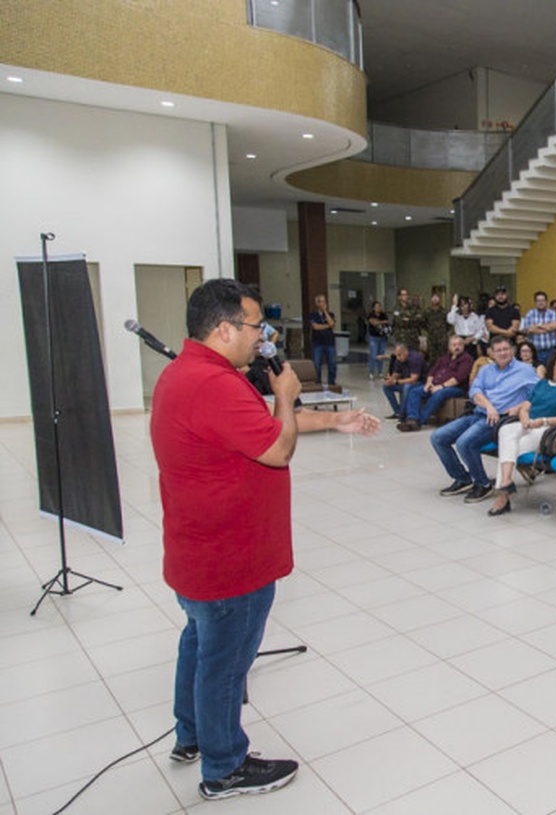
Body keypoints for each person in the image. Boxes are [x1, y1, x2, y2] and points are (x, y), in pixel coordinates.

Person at [150, 280, 301, 799]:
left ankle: (190, 735)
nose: (264, 338)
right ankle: (224, 766)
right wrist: (284, 396)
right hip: (229, 558)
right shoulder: (214, 384)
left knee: (199, 644)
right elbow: (277, 449)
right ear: (225, 328)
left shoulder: (186, 372)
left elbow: (247, 434)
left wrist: (336, 418)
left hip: (199, 551)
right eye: (257, 327)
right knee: (225, 663)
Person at [431, 335, 538, 503]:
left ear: (513, 350)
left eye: (506, 349)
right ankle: (462, 479)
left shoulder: (525, 371)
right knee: (438, 437)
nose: (502, 353)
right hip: (478, 413)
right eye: (498, 350)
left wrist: (519, 408)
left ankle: (483, 483)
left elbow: (538, 395)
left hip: (500, 420)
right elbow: (474, 392)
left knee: (464, 443)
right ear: (491, 353)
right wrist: (488, 406)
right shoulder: (486, 370)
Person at [487, 348, 556, 516]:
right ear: (553, 363)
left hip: (549, 430)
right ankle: (507, 481)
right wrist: (524, 417)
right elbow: (525, 406)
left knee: (508, 448)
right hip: (529, 424)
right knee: (506, 429)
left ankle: (502, 497)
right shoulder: (542, 384)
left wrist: (543, 421)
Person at [399, 334, 474, 431]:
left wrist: (441, 386)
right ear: (449, 347)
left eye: (459, 345)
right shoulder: (444, 358)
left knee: (439, 394)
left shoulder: (467, 359)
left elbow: (458, 378)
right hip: (435, 385)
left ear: (463, 346)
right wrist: (429, 382)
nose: (457, 347)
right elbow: (432, 371)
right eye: (454, 345)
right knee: (414, 392)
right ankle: (412, 419)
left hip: (456, 388)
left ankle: (419, 421)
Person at [381, 342, 426, 421]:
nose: (398, 358)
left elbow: (413, 379)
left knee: (407, 387)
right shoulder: (399, 359)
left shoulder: (415, 358)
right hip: (405, 382)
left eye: (399, 355)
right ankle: (397, 411)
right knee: (386, 387)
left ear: (405, 352)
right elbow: (396, 373)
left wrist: (397, 382)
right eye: (396, 355)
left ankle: (403, 414)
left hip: (419, 382)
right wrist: (390, 380)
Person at [308, 293, 337, 389]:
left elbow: (332, 324)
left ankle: (332, 382)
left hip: (330, 342)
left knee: (332, 364)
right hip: (318, 343)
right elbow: (315, 327)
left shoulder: (330, 314)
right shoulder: (312, 315)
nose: (323, 303)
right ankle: (318, 382)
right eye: (321, 301)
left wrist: (325, 312)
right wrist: (327, 326)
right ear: (317, 303)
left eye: (324, 301)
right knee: (317, 364)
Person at [521, 290, 556, 357]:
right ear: (535, 302)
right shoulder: (530, 314)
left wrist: (538, 326)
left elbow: (555, 326)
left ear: (546, 301)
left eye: (542, 300)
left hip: (551, 351)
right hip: (535, 352)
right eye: (538, 301)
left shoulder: (552, 313)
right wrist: (548, 327)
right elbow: (529, 330)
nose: (540, 303)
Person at [366, 300, 390, 378]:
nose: (378, 308)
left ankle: (380, 371)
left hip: (382, 337)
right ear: (373, 308)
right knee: (373, 355)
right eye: (376, 307)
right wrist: (382, 322)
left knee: (381, 354)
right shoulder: (370, 315)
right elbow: (373, 323)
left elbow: (387, 321)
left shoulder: (383, 315)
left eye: (379, 306)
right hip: (374, 337)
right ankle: (371, 372)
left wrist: (379, 322)